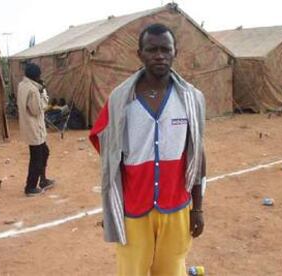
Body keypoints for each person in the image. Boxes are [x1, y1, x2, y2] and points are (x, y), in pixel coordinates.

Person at [89, 23, 207, 276]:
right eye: (152, 49)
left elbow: (198, 155)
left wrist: (197, 208)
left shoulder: (192, 98)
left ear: (176, 52)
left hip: (176, 208)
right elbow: (106, 149)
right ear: (139, 54)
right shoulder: (120, 100)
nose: (159, 55)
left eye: (166, 49)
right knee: (131, 271)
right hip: (133, 210)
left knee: (172, 270)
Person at [17, 63, 55, 196]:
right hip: (34, 127)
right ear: (36, 76)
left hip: (30, 127)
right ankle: (30, 187)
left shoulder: (22, 85)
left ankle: (43, 180)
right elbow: (36, 110)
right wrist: (43, 94)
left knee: (44, 152)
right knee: (36, 158)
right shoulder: (33, 90)